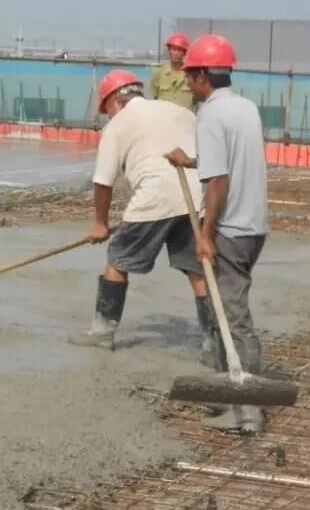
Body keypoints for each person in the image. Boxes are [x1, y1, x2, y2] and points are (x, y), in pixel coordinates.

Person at [165, 34, 269, 435]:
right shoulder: (245, 108)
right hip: (254, 225)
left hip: (230, 228)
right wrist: (190, 161)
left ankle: (247, 409)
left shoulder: (209, 114)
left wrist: (206, 234)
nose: (187, 81)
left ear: (203, 76)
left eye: (190, 74)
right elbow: (227, 160)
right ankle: (230, 392)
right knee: (227, 310)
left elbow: (220, 181)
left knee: (232, 317)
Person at [69, 69, 206, 353]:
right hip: (197, 196)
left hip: (154, 198)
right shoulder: (180, 112)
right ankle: (213, 342)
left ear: (115, 101)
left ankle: (102, 333)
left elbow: (103, 181)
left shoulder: (118, 125)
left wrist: (100, 224)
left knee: (118, 259)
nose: (108, 115)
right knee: (199, 270)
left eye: (107, 109)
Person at [148, 31, 214, 358]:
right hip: (162, 144)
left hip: (185, 144)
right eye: (172, 49)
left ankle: (211, 335)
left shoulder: (194, 79)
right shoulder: (159, 75)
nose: (176, 54)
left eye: (180, 50)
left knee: (194, 263)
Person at [149, 33, 196, 110]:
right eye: (174, 49)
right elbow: (155, 97)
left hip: (184, 116)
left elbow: (197, 99)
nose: (176, 53)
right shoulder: (159, 73)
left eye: (179, 50)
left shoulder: (191, 74)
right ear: (169, 51)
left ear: (184, 52)